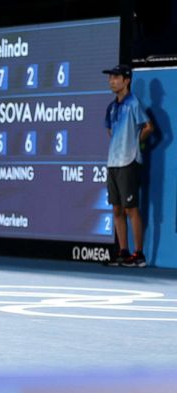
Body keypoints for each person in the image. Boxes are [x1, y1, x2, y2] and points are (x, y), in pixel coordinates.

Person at [102, 64, 154, 268]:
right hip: (113, 163)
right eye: (110, 78)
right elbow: (110, 132)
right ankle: (123, 252)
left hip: (129, 161)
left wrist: (135, 141)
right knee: (116, 209)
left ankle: (138, 254)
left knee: (131, 208)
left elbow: (149, 127)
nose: (111, 81)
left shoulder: (134, 103)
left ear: (126, 80)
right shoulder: (111, 107)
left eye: (115, 77)